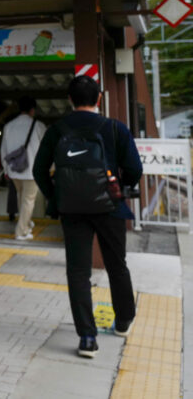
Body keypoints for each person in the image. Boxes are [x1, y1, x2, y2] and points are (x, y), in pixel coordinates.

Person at [32, 75, 142, 359]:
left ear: (70, 99)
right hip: (110, 207)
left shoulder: (57, 130)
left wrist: (56, 197)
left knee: (78, 271)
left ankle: (87, 338)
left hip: (72, 211)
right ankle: (123, 321)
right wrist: (119, 188)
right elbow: (134, 168)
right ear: (99, 99)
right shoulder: (115, 129)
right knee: (117, 265)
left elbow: (39, 171)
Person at [0, 96, 47, 240]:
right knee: (28, 200)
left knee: (22, 197)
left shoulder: (8, 126)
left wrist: (6, 169)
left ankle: (25, 222)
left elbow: (3, 150)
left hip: (14, 170)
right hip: (32, 171)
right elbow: (45, 149)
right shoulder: (38, 126)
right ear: (32, 110)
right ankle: (21, 232)